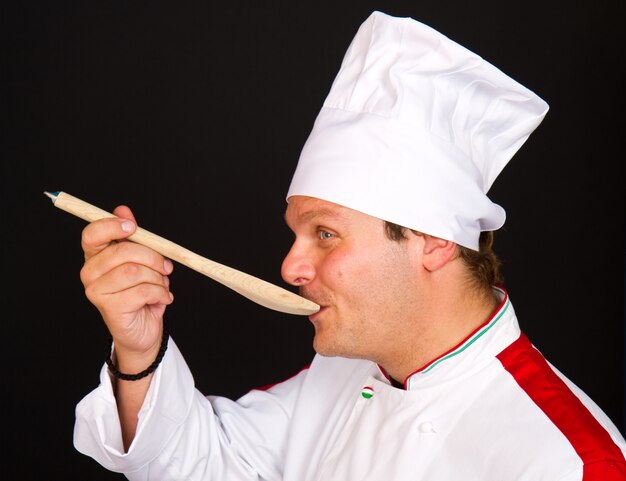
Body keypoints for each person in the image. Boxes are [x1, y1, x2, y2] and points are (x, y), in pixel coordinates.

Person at [73, 10, 626, 480]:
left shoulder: (568, 462)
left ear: (432, 242)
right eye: (298, 233)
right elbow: (207, 463)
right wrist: (139, 351)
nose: (290, 266)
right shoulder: (348, 372)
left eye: (325, 234)